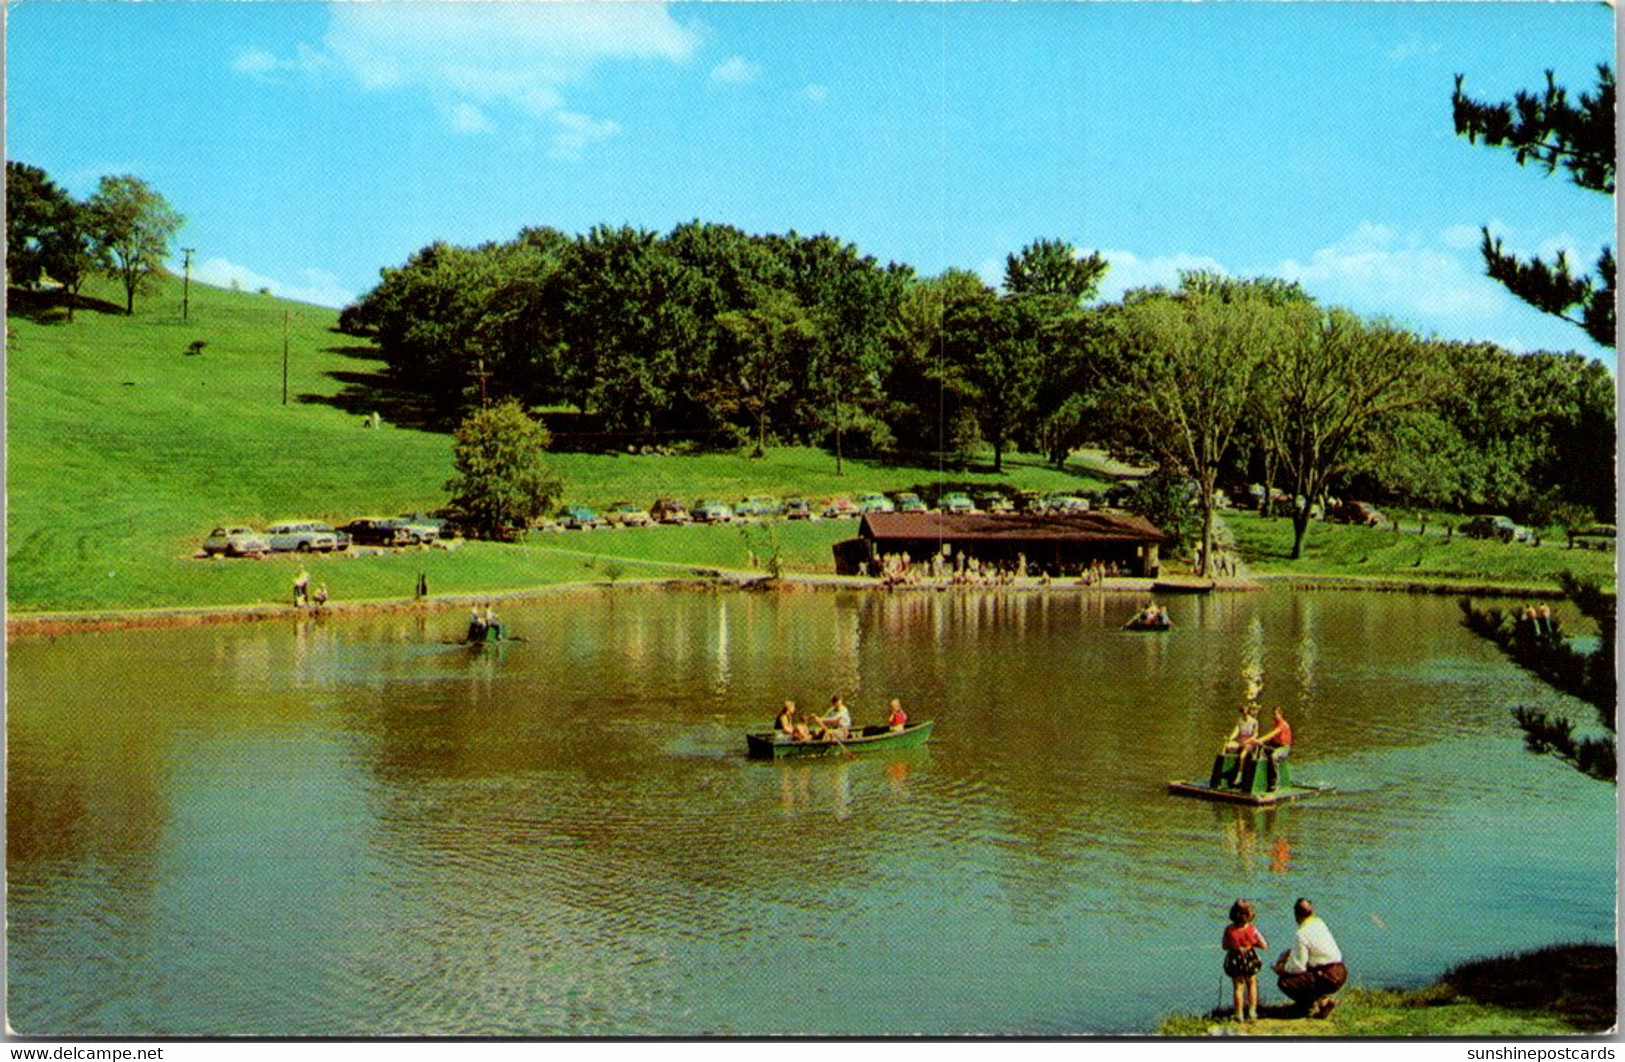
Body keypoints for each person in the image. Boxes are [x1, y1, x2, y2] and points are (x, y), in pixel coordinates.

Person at [1273, 898, 1347, 1018]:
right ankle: (1320, 1003)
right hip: (1341, 971)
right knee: (1308, 975)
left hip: (1327, 976)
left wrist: (1281, 969)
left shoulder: (1301, 933)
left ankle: (1312, 1005)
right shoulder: (1319, 923)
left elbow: (1298, 967)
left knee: (1284, 982)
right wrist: (1292, 952)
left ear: (1296, 915)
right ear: (1313, 911)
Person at [1222, 900, 1268, 1022]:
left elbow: (1225, 946)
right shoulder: (1253, 929)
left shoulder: (1229, 929)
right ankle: (1252, 1012)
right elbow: (1264, 945)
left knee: (1238, 987)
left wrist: (1235, 946)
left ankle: (1239, 1014)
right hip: (1250, 960)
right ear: (1249, 915)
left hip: (1235, 960)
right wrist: (1252, 944)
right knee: (1252, 984)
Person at [1255, 705, 1292, 790]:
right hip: (1275, 744)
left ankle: (1275, 782)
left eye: (1275, 714)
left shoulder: (1283, 724)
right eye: (1273, 714)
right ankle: (1260, 778)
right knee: (1261, 750)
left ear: (1280, 714)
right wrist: (1261, 742)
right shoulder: (1275, 723)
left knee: (1274, 756)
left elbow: (1273, 734)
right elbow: (1271, 737)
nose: (1274, 716)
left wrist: (1260, 739)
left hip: (1284, 747)